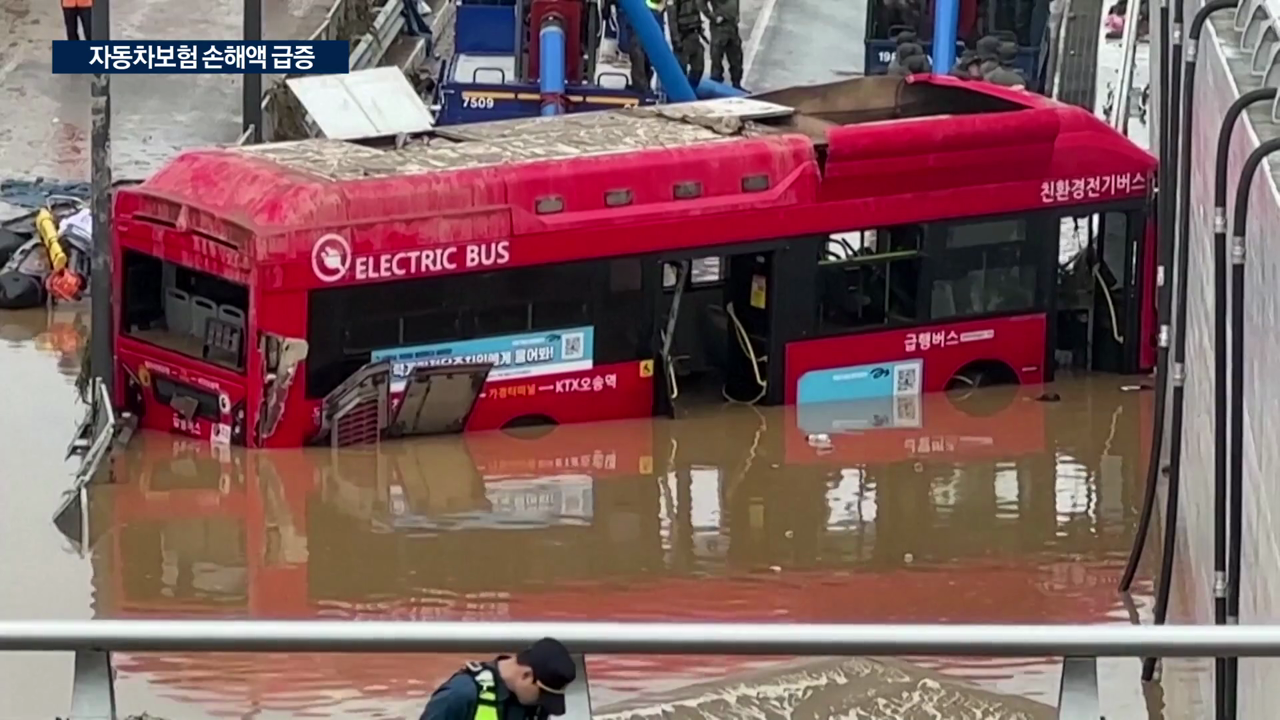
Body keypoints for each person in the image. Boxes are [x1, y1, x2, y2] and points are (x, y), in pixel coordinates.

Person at [420, 638, 578, 720]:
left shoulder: (534, 705)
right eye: (541, 695)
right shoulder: (460, 695)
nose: (541, 703)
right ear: (526, 676)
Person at [623, 0, 668, 92]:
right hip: (644, 15)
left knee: (642, 54)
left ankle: (642, 88)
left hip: (647, 15)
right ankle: (642, 87)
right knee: (640, 54)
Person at [668, 0, 707, 89]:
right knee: (680, 72)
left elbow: (696, 12)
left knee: (698, 68)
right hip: (683, 39)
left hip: (695, 36)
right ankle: (680, 94)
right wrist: (676, 40)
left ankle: (691, 90)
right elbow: (672, 20)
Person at [706, 0, 743, 88]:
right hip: (720, 28)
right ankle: (715, 85)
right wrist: (713, 17)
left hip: (732, 26)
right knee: (716, 58)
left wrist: (737, 14)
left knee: (736, 57)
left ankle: (737, 84)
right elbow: (700, 3)